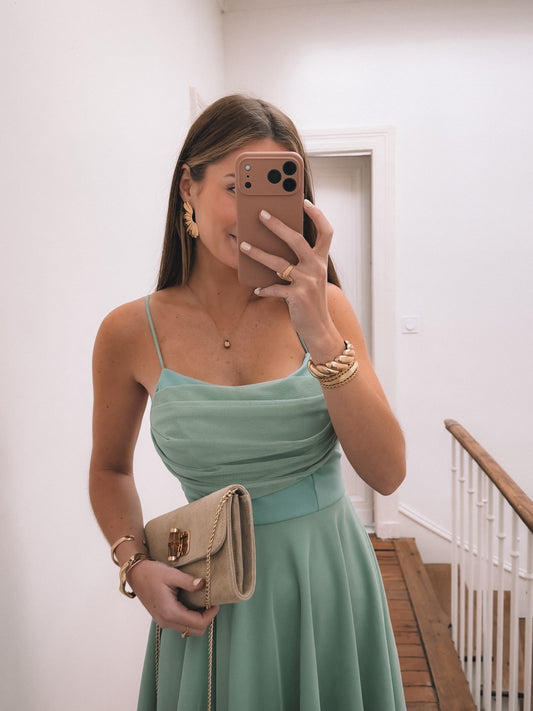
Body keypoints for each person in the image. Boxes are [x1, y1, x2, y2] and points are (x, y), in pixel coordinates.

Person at [89, 94, 407, 711]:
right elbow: (109, 470)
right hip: (208, 592)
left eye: (277, 191)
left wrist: (320, 333)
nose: (258, 215)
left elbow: (388, 473)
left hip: (325, 579)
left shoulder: (326, 308)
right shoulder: (128, 332)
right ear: (188, 187)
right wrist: (135, 567)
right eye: (237, 188)